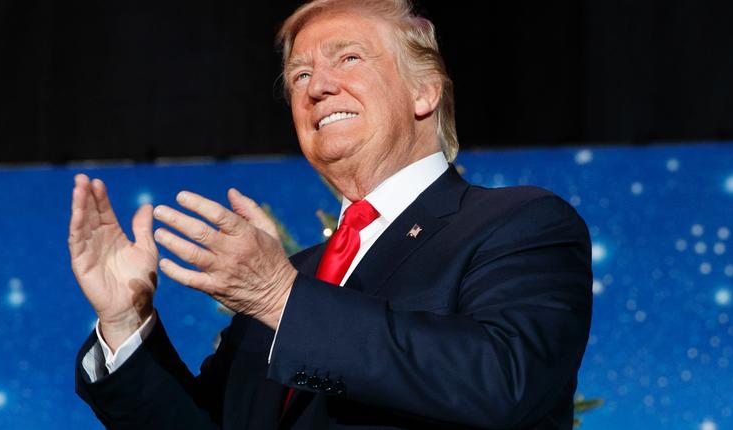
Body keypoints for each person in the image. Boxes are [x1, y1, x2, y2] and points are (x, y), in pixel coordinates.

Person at [70, 0, 593, 428]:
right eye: (299, 75)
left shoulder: (521, 223)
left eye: (348, 59)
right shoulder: (289, 273)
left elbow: (502, 382)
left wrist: (281, 300)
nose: (316, 87)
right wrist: (125, 324)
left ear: (424, 91)